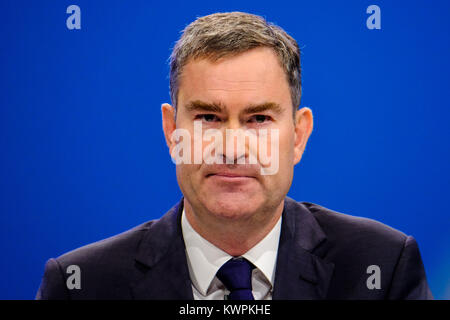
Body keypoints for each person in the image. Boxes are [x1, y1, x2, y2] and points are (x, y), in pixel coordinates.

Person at [36, 11, 433, 300]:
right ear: (172, 131)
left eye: (258, 118)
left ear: (298, 136)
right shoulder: (81, 284)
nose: (232, 146)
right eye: (208, 116)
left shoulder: (382, 267)